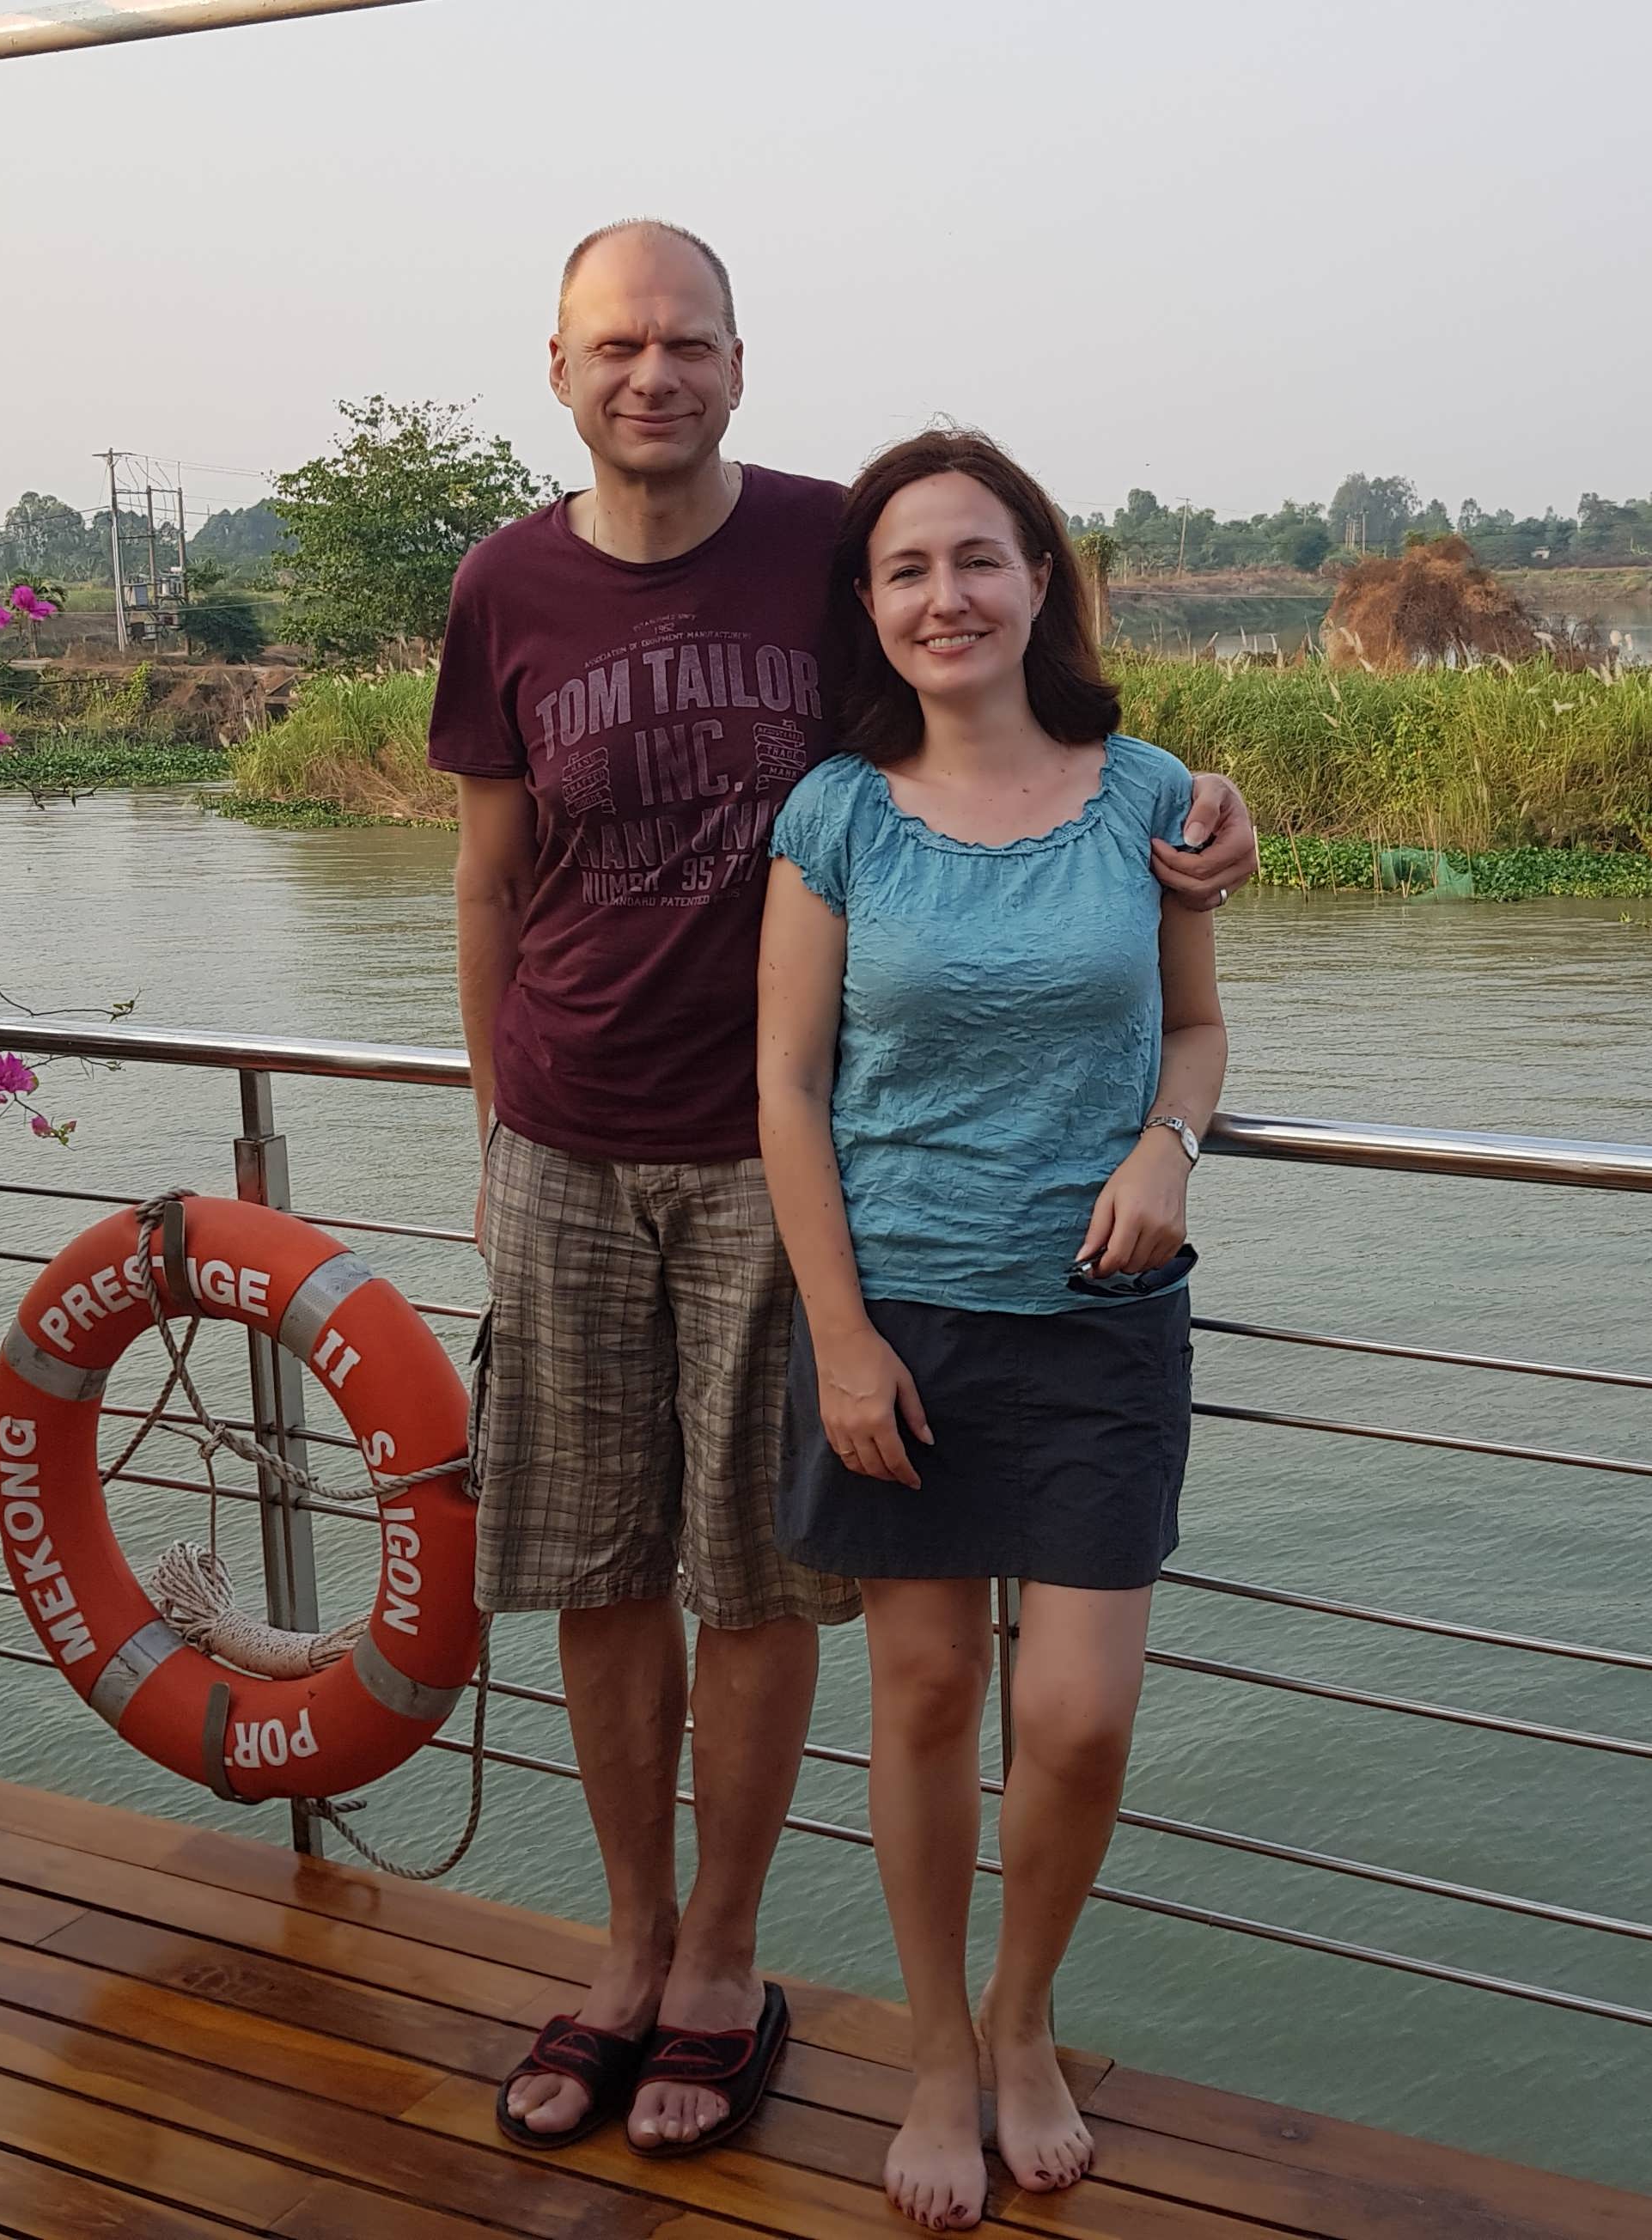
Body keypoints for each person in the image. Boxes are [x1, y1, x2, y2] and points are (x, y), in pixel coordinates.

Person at [428, 218, 1259, 2161]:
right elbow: (484, 877)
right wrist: (485, 1129)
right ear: (557, 365)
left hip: (792, 1167)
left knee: (763, 1586)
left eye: (687, 339)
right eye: (615, 343)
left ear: (738, 359)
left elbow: (1020, 703)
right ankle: (630, 1950)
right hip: (567, 1132)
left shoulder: (827, 541)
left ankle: (726, 1965)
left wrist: (1205, 807)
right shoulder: (504, 583)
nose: (652, 373)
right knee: (600, 1574)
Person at [757, 429, 1228, 2231]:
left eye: (975, 557)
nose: (941, 596)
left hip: (1100, 1318)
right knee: (929, 1688)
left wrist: (1165, 1145)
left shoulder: (1147, 793)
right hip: (897, 1312)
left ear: (1038, 578)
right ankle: (940, 2045)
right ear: (869, 609)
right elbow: (786, 1086)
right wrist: (842, 1333)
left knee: (1080, 1713)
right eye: (902, 570)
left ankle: (1028, 2015)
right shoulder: (838, 814)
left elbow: (1191, 1032)